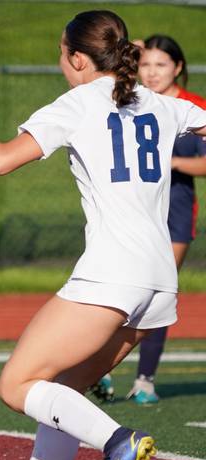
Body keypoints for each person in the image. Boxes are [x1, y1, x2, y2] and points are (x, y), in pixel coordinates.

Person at [0, 10, 206, 460]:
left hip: (111, 273)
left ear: (75, 57)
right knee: (62, 394)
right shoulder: (162, 104)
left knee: (16, 385)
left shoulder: (78, 103)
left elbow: (0, 160)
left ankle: (120, 442)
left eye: (60, 53)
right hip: (159, 280)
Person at [92, 35, 206, 406]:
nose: (152, 72)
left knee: (157, 292)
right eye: (145, 64)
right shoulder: (133, 101)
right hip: (131, 208)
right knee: (117, 288)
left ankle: (145, 379)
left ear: (178, 67)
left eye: (160, 65)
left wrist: (170, 163)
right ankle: (98, 367)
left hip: (174, 207)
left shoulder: (193, 107)